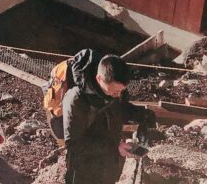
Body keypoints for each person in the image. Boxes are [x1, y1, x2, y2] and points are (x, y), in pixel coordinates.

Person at [63, 54, 152, 184]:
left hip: (107, 164)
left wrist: (143, 115)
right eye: (115, 91)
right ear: (99, 79)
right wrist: (115, 147)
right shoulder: (76, 100)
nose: (118, 95)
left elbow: (119, 109)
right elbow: (74, 144)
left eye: (121, 91)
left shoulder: (112, 90)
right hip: (83, 170)